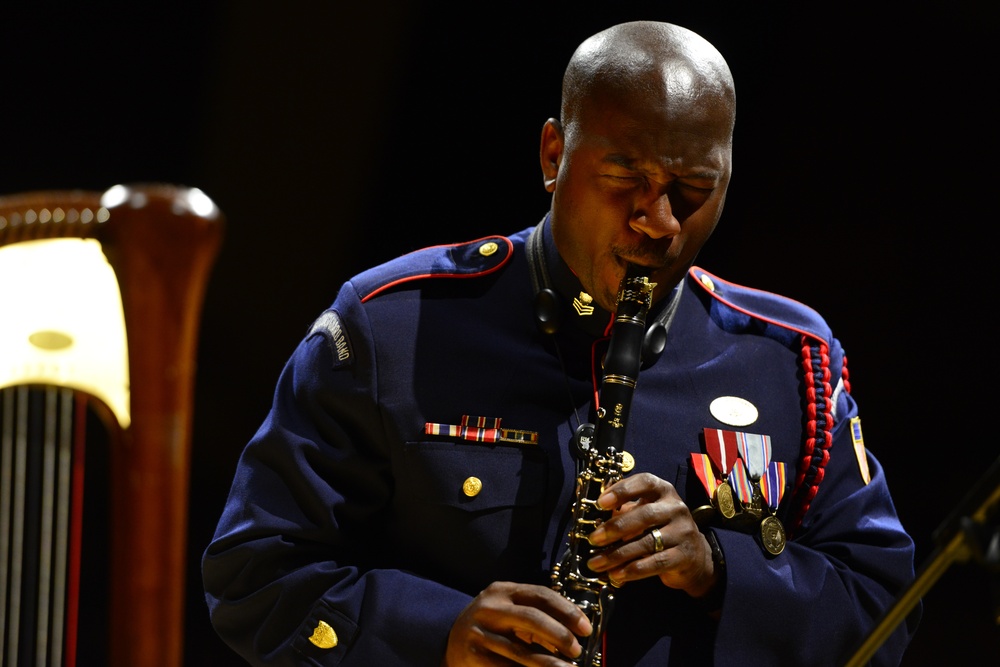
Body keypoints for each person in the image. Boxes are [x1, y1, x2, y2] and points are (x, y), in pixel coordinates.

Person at [203, 20, 920, 666]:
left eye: (693, 188)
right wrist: (440, 633)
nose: (659, 221)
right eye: (625, 178)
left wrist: (717, 567)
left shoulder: (787, 358)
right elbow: (252, 573)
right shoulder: (390, 325)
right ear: (554, 155)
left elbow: (883, 607)